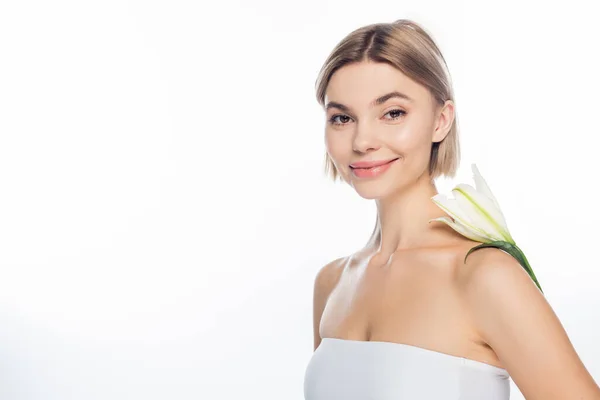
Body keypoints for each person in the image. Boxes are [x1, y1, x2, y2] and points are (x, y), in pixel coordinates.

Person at [303, 19, 600, 400]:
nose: (363, 140)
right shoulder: (331, 283)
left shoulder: (484, 275)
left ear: (441, 120)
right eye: (342, 118)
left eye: (392, 113)